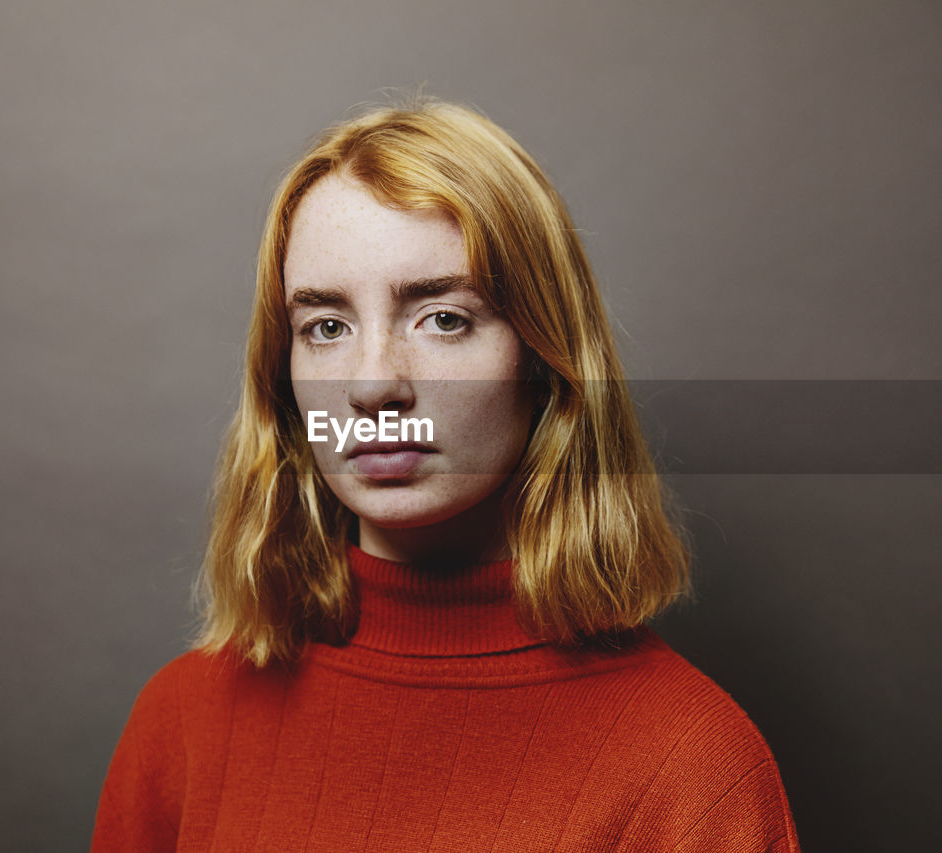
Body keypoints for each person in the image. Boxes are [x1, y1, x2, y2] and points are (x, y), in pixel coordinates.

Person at [91, 97, 800, 851]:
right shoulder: (182, 724)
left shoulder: (690, 766)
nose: (372, 386)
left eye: (444, 318)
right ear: (282, 378)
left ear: (543, 358)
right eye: (326, 327)